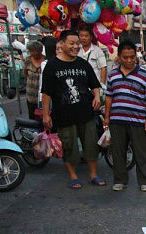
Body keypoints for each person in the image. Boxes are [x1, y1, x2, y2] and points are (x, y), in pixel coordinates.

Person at [41, 30, 104, 189]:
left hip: (86, 113)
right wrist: (45, 114)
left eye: (78, 43)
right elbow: (46, 92)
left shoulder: (83, 64)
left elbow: (95, 84)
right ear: (61, 44)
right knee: (69, 146)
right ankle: (73, 176)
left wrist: (96, 97)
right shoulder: (52, 65)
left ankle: (93, 175)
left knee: (91, 145)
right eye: (72, 43)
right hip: (64, 115)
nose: (76, 46)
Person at [103, 40, 146, 192]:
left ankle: (145, 180)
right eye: (125, 57)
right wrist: (107, 117)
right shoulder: (112, 75)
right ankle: (120, 180)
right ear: (119, 57)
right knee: (118, 152)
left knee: (141, 152)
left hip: (138, 120)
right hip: (116, 119)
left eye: (132, 57)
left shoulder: (145, 75)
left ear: (136, 56)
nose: (129, 60)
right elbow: (109, 97)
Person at [23, 41, 44, 120]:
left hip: (42, 95)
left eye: (33, 51)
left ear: (39, 51)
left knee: (43, 116)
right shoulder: (28, 60)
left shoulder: (45, 61)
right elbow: (25, 74)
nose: (31, 53)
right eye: (30, 51)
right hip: (31, 95)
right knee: (32, 116)